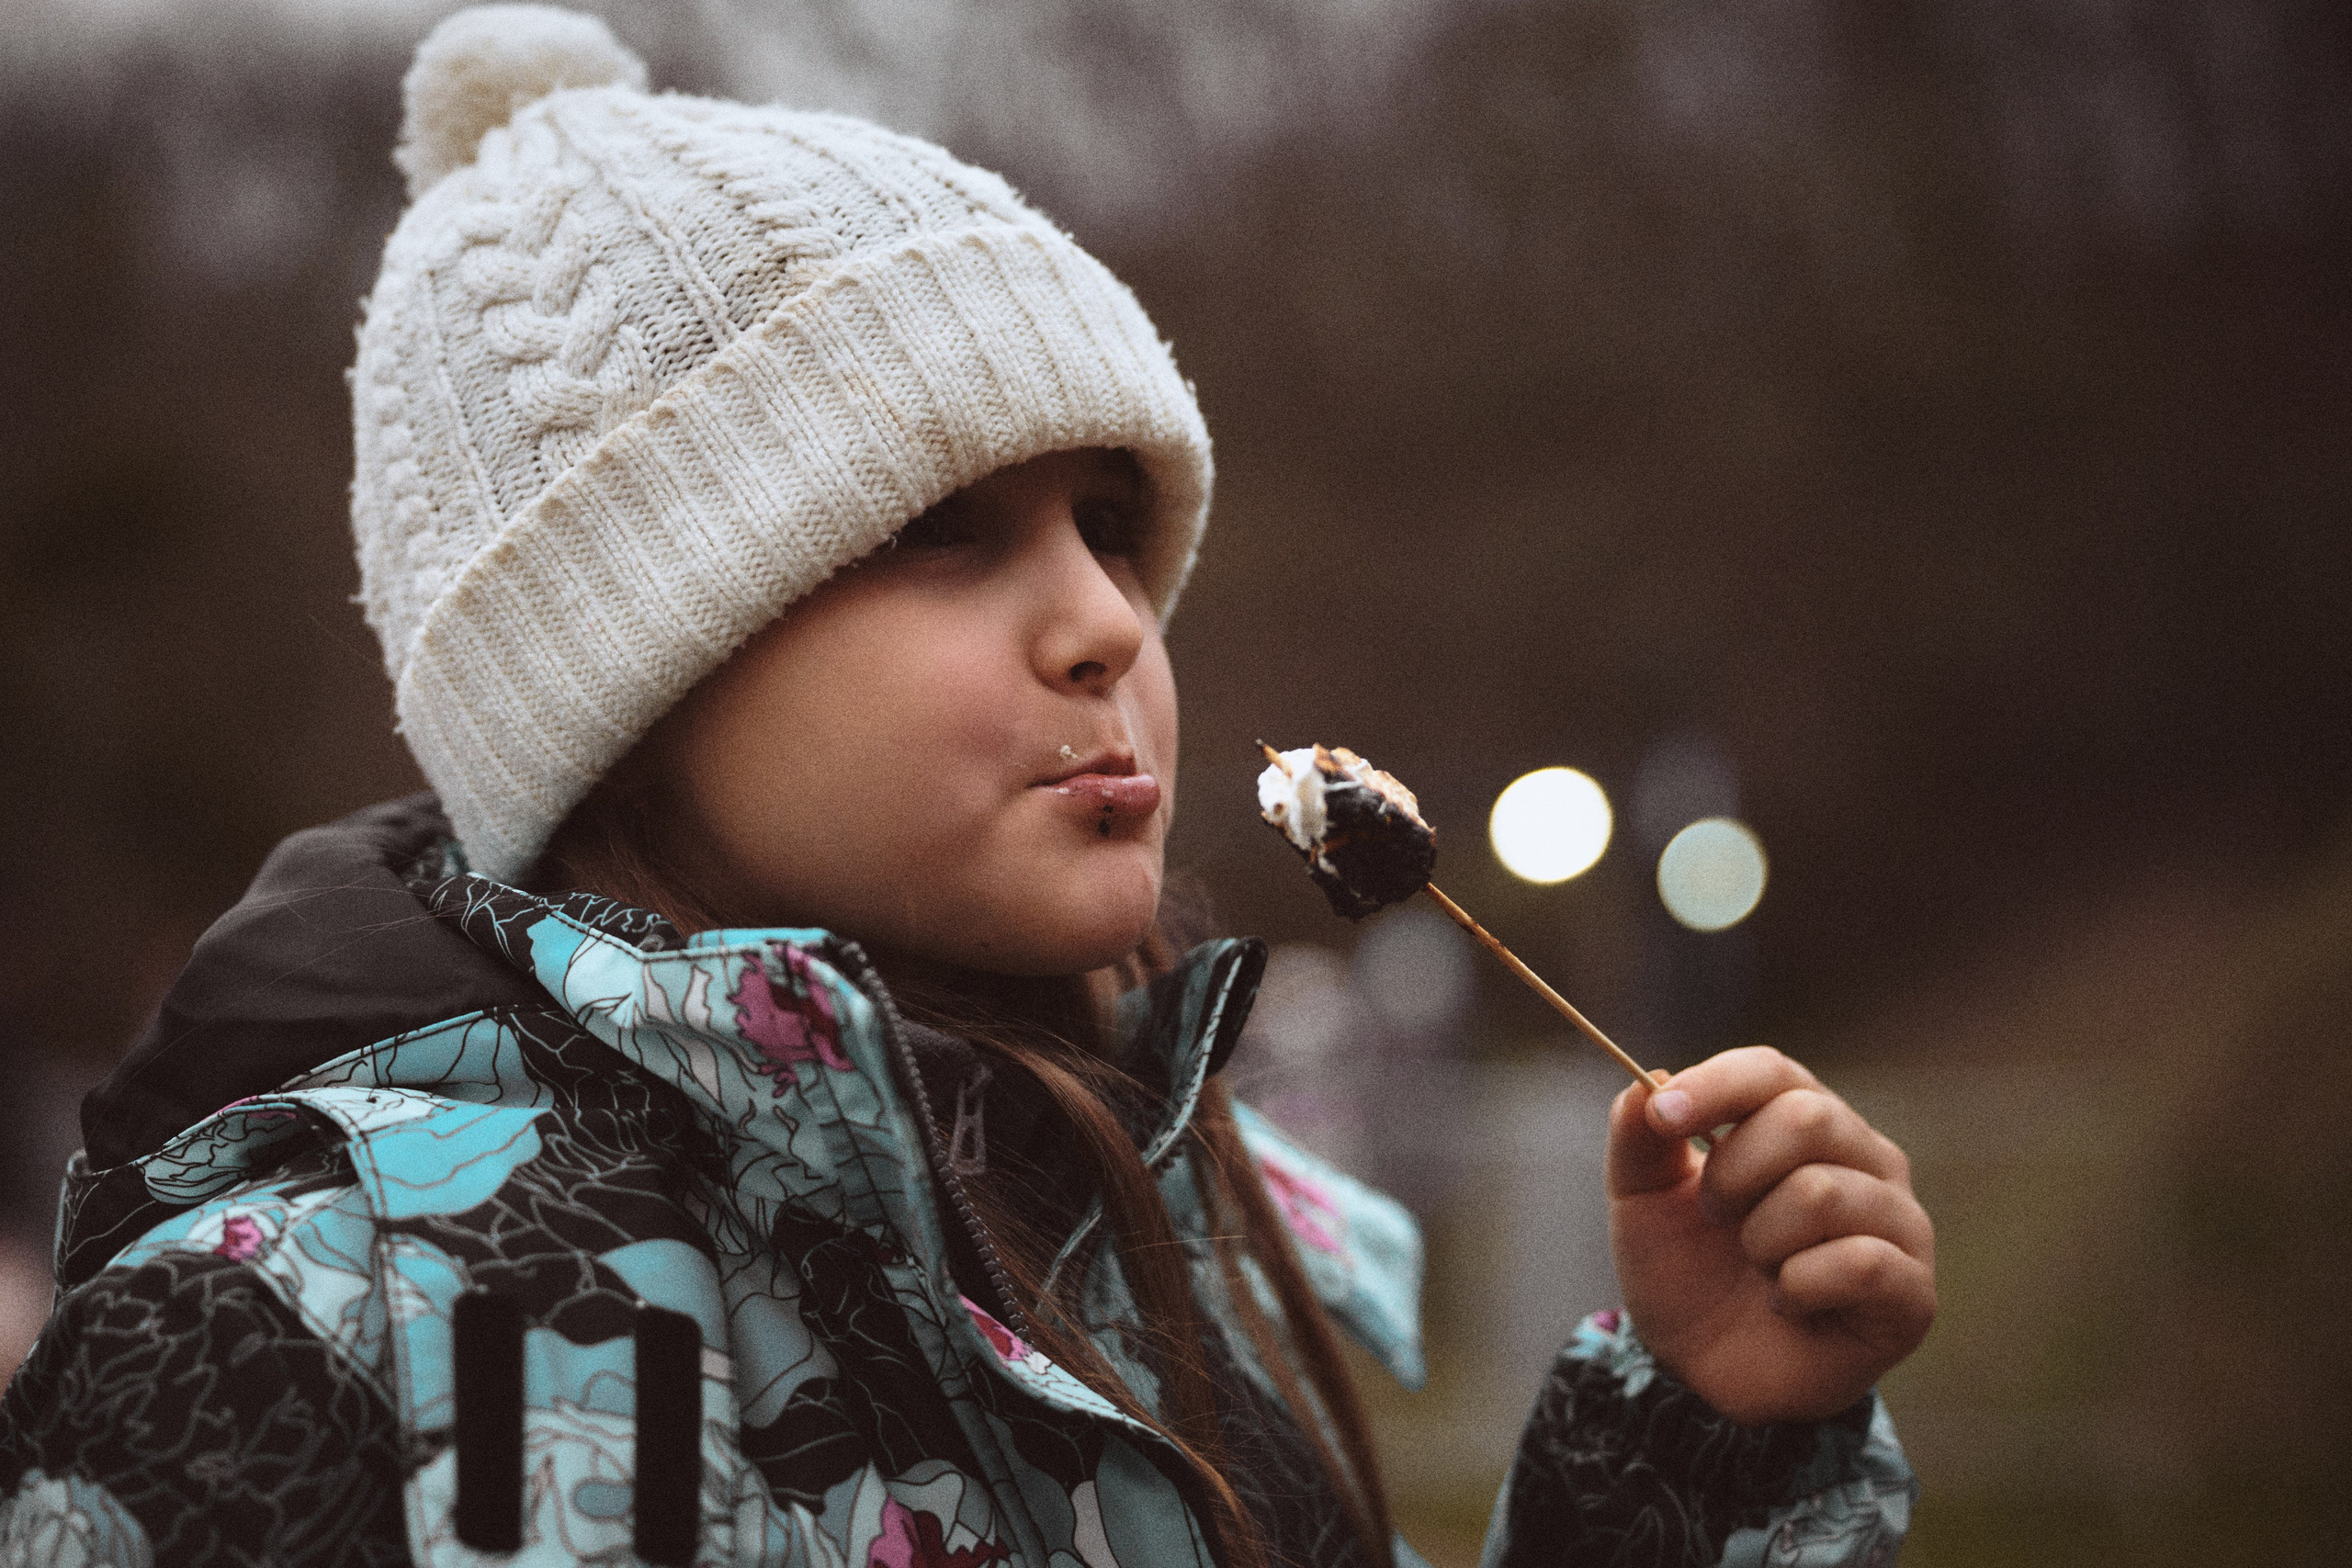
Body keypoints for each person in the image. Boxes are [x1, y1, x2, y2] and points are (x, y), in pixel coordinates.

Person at [0, 7, 1933, 1566]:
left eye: (1109, 524)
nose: (1105, 622)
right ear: (625, 674)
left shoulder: (1153, 1240)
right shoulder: (294, 1342)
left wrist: (1703, 1453)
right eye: (939, 527)